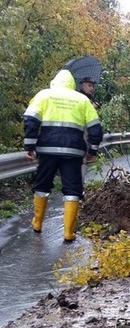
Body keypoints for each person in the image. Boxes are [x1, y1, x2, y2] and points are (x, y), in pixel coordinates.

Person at [23, 65, 104, 243]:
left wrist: (29, 145)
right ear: (72, 84)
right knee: (72, 190)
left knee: (42, 186)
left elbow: (30, 120)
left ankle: (37, 224)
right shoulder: (82, 100)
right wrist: (93, 151)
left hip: (47, 151)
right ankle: (68, 233)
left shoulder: (44, 95)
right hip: (73, 152)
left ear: (54, 82)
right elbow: (95, 129)